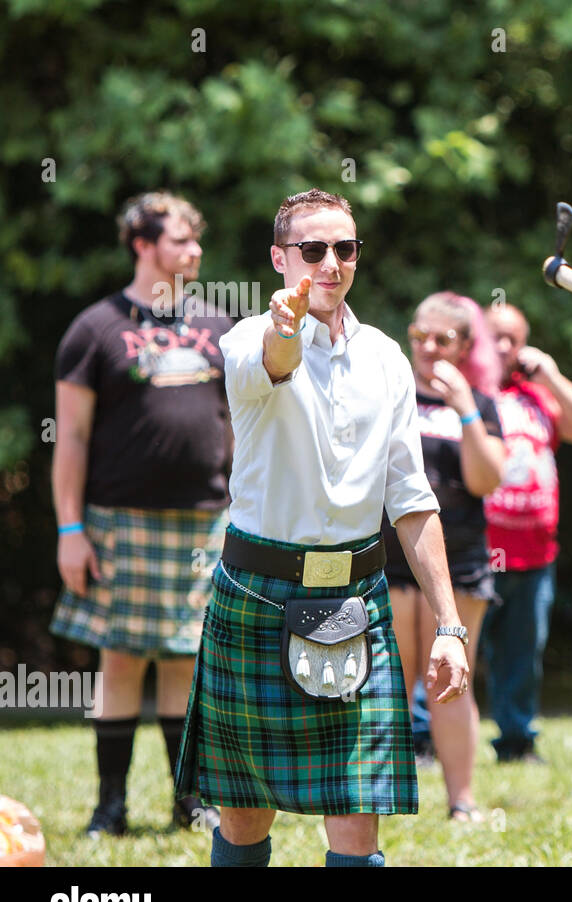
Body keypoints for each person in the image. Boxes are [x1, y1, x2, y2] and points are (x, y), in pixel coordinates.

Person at [174, 188, 470, 867]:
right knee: (246, 815)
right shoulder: (249, 338)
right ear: (280, 257)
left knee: (357, 822)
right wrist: (286, 329)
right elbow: (277, 365)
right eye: (313, 250)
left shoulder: (388, 359)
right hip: (257, 596)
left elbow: (411, 498)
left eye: (345, 247)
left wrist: (449, 625)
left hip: (354, 604)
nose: (330, 262)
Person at [51, 191, 229, 837]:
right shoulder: (94, 328)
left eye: (195, 238)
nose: (194, 251)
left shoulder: (219, 327)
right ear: (142, 245)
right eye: (180, 240)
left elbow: (240, 425)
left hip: (205, 518)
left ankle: (189, 802)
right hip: (119, 519)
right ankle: (110, 807)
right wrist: (71, 529)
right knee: (121, 659)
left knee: (186, 659)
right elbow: (68, 438)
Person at [381, 292, 505, 822]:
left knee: (449, 682)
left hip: (458, 561)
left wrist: (467, 410)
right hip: (387, 556)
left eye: (443, 339)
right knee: (386, 680)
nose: (428, 348)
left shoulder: (480, 402)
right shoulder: (390, 391)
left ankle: (462, 801)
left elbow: (486, 479)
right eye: (419, 336)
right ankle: (377, 799)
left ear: (465, 346)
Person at [480, 303, 572, 763]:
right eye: (495, 335)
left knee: (522, 655)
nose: (505, 346)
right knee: (455, 647)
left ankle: (517, 740)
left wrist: (549, 373)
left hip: (534, 554)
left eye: (514, 337)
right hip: (477, 551)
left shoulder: (535, 395)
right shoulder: (467, 390)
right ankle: (426, 736)